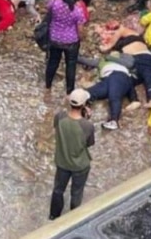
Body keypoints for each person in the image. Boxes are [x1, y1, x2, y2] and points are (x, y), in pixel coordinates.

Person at [49, 88, 95, 220]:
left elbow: (58, 128)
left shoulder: (59, 117)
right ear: (84, 104)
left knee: (58, 190)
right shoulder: (87, 126)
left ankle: (53, 217)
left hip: (62, 162)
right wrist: (86, 119)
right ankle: (73, 220)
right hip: (80, 166)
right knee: (76, 193)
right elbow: (89, 143)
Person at [100, 25, 151, 108]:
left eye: (109, 32)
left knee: (148, 76)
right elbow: (105, 50)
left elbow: (120, 31)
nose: (107, 34)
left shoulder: (127, 32)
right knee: (125, 79)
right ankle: (134, 100)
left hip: (143, 56)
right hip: (132, 63)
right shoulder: (116, 44)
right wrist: (106, 43)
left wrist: (108, 44)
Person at [45, 0, 87, 94]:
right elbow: (80, 29)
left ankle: (47, 86)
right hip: (71, 41)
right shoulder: (78, 10)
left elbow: (47, 8)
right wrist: (81, 38)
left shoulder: (54, 3)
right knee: (71, 65)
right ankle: (69, 91)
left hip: (55, 38)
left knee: (53, 62)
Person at [86, 52, 137, 130]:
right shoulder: (101, 61)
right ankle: (84, 108)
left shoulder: (123, 59)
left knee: (114, 95)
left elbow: (130, 63)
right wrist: (71, 56)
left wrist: (111, 58)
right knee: (89, 93)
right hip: (107, 79)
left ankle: (114, 120)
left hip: (119, 76)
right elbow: (85, 61)